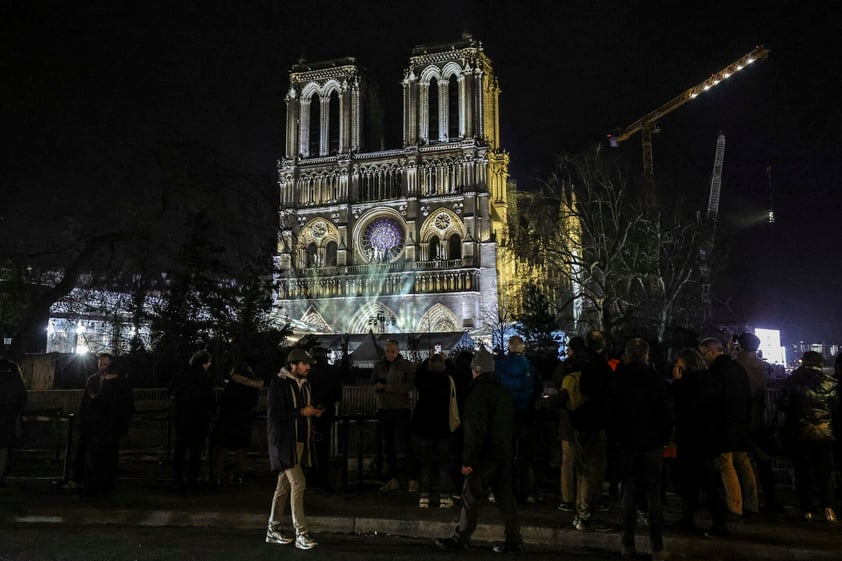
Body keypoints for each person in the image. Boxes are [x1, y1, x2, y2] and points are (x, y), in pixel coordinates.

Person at [435, 347, 523, 553]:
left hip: (484, 456)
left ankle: (461, 537)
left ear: (476, 370)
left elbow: (474, 432)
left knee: (470, 496)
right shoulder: (503, 393)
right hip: (503, 453)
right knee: (505, 498)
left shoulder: (478, 394)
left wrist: (468, 461)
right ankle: (514, 539)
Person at [607, 338, 672, 561]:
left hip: (626, 443)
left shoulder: (618, 379)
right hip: (652, 443)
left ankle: (627, 544)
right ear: (646, 355)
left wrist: (615, 440)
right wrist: (663, 439)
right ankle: (657, 547)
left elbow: (611, 414)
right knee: (653, 495)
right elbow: (665, 414)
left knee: (630, 492)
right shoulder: (656, 380)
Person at [265, 349, 322, 550]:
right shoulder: (279, 384)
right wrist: (302, 412)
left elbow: (297, 412)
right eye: (305, 364)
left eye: (309, 364)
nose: (308, 367)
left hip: (298, 441)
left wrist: (311, 413)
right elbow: (276, 414)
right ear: (293, 365)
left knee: (283, 487)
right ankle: (301, 533)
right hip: (284, 443)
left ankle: (273, 529)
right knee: (298, 483)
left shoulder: (303, 385)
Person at [670, 347, 728, 536]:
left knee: (700, 483)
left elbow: (681, 407)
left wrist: (677, 385)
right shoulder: (709, 379)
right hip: (706, 438)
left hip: (693, 438)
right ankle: (695, 519)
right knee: (702, 482)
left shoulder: (689, 384)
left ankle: (713, 522)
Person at [699, 337, 758, 521]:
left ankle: (734, 506)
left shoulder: (715, 372)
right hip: (741, 423)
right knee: (743, 463)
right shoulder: (737, 368)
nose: (702, 359)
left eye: (703, 354)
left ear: (711, 352)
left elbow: (712, 401)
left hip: (723, 425)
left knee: (726, 464)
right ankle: (752, 504)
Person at [781, 351, 838, 522]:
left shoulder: (794, 382)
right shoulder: (831, 383)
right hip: (825, 434)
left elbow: (785, 405)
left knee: (803, 471)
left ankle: (807, 509)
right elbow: (835, 409)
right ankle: (829, 508)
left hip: (800, 433)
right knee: (825, 471)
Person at [570, 330, 612, 532]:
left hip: (579, 421)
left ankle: (580, 511)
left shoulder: (578, 362)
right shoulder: (599, 366)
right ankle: (586, 516)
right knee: (592, 472)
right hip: (594, 423)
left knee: (582, 471)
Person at [734, 332, 781, 511]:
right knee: (764, 461)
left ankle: (742, 501)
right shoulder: (766, 367)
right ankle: (770, 499)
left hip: (739, 419)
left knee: (739, 462)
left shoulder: (734, 365)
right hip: (761, 420)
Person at [495, 335, 544, 503]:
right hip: (526, 416)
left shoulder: (500, 367)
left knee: (506, 455)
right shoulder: (530, 368)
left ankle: (505, 490)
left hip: (506, 417)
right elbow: (538, 390)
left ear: (509, 347)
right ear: (522, 348)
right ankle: (527, 490)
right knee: (525, 455)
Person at [369, 338, 416, 492]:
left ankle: (410, 478)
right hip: (384, 407)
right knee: (388, 444)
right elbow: (371, 383)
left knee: (404, 443)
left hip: (401, 407)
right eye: (388, 351)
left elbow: (411, 384)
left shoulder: (406, 365)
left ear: (398, 352)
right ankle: (393, 478)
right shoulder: (379, 365)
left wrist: (396, 388)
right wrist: (377, 386)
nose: (390, 354)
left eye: (392, 352)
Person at [411, 353, 456, 508]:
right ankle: (444, 496)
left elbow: (417, 376)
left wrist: (426, 361)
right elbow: (454, 372)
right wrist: (448, 360)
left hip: (424, 426)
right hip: (443, 426)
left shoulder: (424, 379)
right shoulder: (447, 380)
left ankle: (424, 497)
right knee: (444, 463)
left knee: (425, 463)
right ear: (443, 366)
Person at [169, 349, 216, 494]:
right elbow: (210, 399)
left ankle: (177, 480)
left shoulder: (182, 374)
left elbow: (173, 393)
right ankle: (192, 481)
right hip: (199, 420)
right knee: (195, 452)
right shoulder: (205, 378)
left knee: (180, 450)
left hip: (182, 418)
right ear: (205, 362)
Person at [209, 361, 263, 487]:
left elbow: (223, 402)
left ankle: (217, 477)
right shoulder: (253, 387)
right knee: (242, 451)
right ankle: (240, 476)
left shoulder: (232, 385)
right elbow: (253, 404)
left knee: (222, 449)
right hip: (244, 421)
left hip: (228, 420)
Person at [63, 353, 113, 490]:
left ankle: (87, 481)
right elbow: (86, 403)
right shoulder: (93, 380)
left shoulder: (97, 380)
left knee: (91, 453)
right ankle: (87, 481)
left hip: (99, 423)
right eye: (101, 364)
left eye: (105, 364)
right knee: (87, 452)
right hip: (93, 422)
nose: (102, 367)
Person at [552, 336, 586, 512]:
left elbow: (558, 386)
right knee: (585, 462)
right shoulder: (590, 365)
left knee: (567, 460)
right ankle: (584, 499)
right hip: (587, 419)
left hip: (567, 418)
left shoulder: (564, 367)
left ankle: (567, 498)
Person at [306, 346, 343, 491]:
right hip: (327, 412)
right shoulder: (333, 371)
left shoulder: (308, 372)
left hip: (309, 412)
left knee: (310, 446)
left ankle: (312, 477)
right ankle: (323, 478)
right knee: (324, 446)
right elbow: (338, 394)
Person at [0, 358, 28, 487]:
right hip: (9, 421)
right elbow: (23, 402)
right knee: (4, 449)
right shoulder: (16, 382)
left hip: (7, 419)